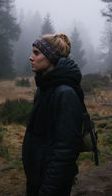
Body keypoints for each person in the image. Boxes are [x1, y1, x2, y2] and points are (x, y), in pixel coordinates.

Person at [22, 33, 85, 196]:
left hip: (52, 185)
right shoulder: (44, 90)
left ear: (51, 58)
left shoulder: (65, 94)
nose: (31, 57)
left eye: (36, 53)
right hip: (37, 179)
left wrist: (48, 190)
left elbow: (65, 151)